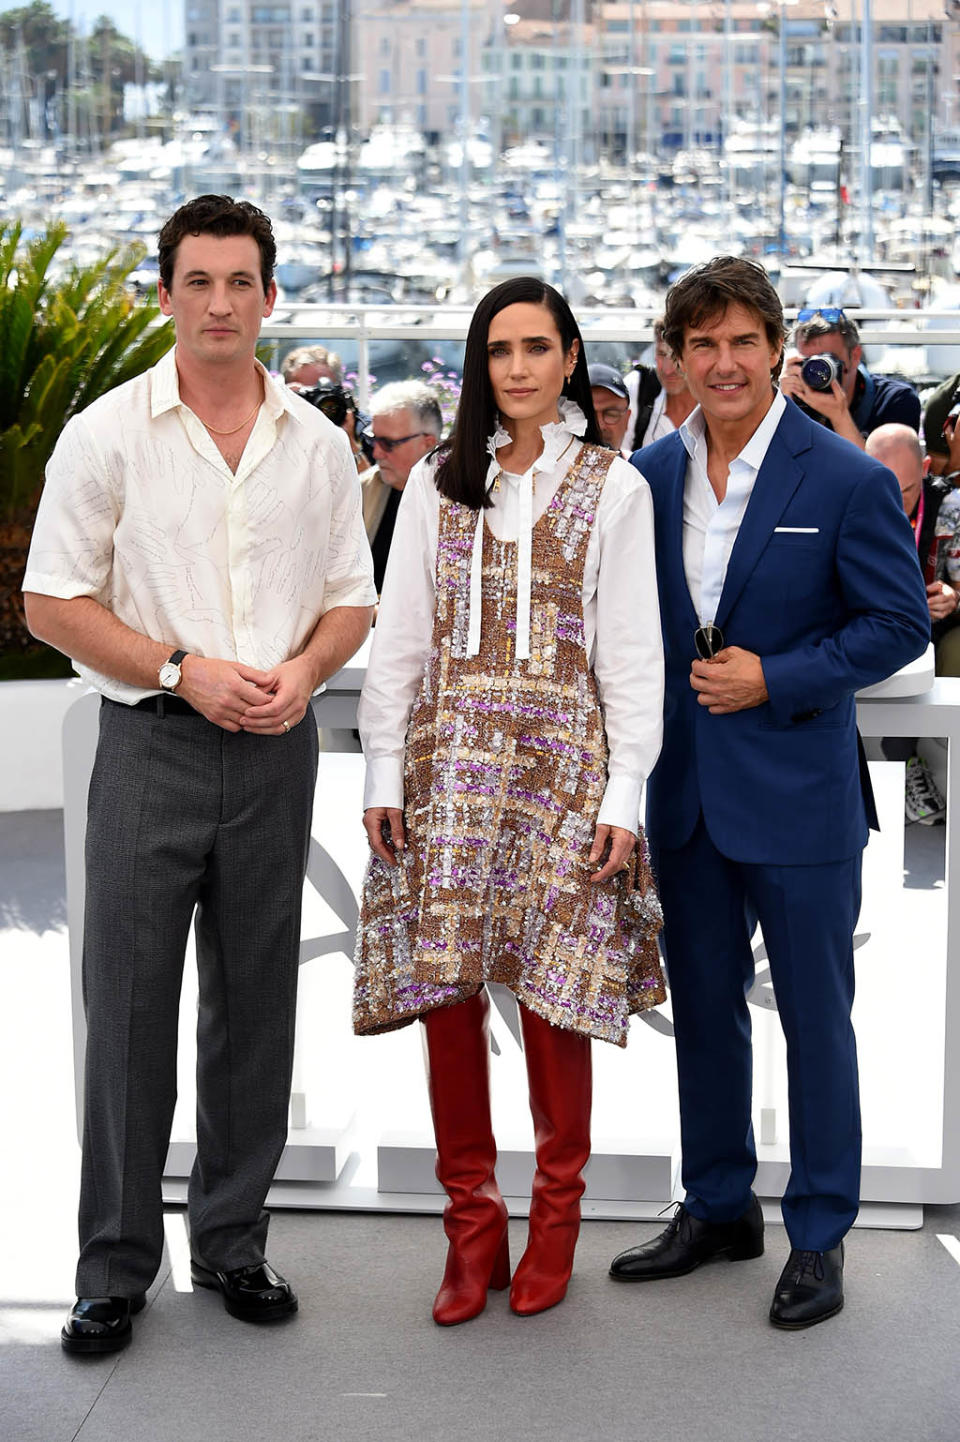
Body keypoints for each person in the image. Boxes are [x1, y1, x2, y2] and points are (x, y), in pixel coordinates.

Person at [23, 194, 376, 1355]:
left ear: (270, 297)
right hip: (150, 748)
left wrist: (305, 668)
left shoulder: (319, 445)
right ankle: (114, 1266)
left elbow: (349, 599)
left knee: (255, 1007)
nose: (221, 302)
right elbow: (49, 602)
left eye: (241, 282)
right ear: (165, 294)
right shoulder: (106, 432)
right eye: (199, 281)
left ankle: (233, 1243)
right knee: (127, 1009)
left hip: (276, 749)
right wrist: (181, 667)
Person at [609, 256, 929, 1329]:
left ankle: (821, 1229)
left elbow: (897, 624)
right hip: (686, 796)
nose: (726, 361)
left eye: (745, 341)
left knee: (815, 1019)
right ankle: (717, 1204)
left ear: (778, 350)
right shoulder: (645, 479)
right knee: (702, 1009)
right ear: (679, 359)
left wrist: (773, 675)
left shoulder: (842, 477)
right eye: (704, 344)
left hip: (798, 793)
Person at [354, 276, 665, 1325]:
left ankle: (557, 1218)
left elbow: (632, 657)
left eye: (538, 346)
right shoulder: (441, 484)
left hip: (565, 774)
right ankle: (469, 1224)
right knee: (445, 998)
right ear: (480, 365)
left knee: (554, 1000)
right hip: (446, 770)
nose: (520, 366)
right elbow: (398, 642)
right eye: (500, 350)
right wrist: (382, 772)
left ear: (571, 357)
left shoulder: (616, 486)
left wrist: (627, 792)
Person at [866, 422, 960, 823]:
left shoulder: (951, 508)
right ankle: (900, 765)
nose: (891, 501)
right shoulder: (848, 499)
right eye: (881, 487)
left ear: (925, 468)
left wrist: (954, 598)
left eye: (904, 491)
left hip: (934, 626)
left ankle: (916, 764)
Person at [780, 306, 920, 449]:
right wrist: (785, 405)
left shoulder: (894, 400)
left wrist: (839, 416)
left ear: (855, 356)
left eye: (828, 361)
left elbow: (882, 471)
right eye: (808, 363)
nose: (818, 373)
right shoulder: (792, 400)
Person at [362, 381, 442, 591]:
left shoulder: (457, 501)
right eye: (372, 440)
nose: (377, 453)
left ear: (428, 442)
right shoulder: (362, 491)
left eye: (388, 443)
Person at [629, 317, 696, 450]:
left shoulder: (717, 398)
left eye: (676, 356)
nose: (668, 370)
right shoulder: (637, 387)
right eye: (661, 354)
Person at [589, 362, 632, 455]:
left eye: (611, 414)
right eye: (589, 415)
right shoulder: (551, 467)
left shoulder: (641, 467)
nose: (600, 426)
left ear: (627, 419)